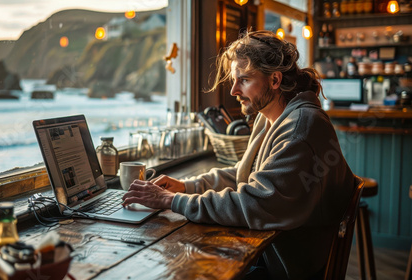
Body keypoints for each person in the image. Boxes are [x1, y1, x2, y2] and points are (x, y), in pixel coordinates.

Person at [122, 30, 355, 280]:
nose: (233, 90)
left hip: (290, 269)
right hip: (278, 254)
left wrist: (171, 201)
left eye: (243, 80)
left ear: (275, 80)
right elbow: (246, 175)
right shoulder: (272, 117)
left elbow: (255, 204)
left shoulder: (300, 128)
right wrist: (186, 186)